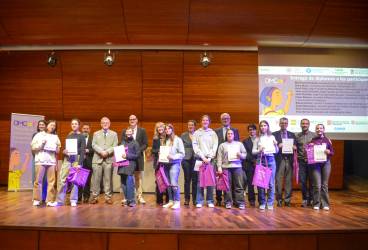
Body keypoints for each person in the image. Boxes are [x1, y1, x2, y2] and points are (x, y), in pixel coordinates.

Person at [31, 120, 61, 207]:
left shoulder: (55, 137)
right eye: (51, 125)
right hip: (40, 160)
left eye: (54, 126)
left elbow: (58, 150)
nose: (52, 127)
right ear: (47, 126)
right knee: (38, 181)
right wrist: (41, 145)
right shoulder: (38, 135)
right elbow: (33, 147)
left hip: (51, 161)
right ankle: (36, 199)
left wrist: (56, 148)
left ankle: (50, 201)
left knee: (51, 181)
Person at [56, 118, 86, 207]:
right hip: (68, 159)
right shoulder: (69, 135)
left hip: (77, 159)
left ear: (79, 125)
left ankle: (73, 199)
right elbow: (65, 148)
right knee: (62, 179)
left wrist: (80, 163)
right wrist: (64, 151)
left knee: (75, 180)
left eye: (75, 124)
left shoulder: (81, 136)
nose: (74, 125)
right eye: (72, 124)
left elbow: (83, 150)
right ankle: (60, 200)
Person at [90, 117, 118, 204]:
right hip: (97, 159)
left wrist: (107, 152)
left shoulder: (114, 134)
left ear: (109, 124)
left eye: (107, 122)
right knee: (96, 179)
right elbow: (93, 144)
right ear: (101, 124)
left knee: (108, 179)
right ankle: (95, 197)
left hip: (108, 159)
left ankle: (108, 197)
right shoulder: (96, 133)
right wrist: (101, 151)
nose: (105, 124)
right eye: (103, 122)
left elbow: (115, 144)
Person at [192, 115, 218, 208]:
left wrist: (209, 158)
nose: (205, 121)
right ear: (201, 121)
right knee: (200, 181)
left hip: (210, 160)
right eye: (203, 120)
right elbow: (195, 147)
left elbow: (215, 146)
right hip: (200, 159)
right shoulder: (196, 133)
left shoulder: (213, 133)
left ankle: (210, 200)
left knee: (210, 180)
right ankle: (199, 200)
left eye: (207, 120)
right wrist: (203, 158)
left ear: (209, 121)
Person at [121, 115, 148, 204]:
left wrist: (137, 151)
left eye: (134, 119)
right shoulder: (124, 131)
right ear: (129, 121)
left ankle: (139, 196)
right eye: (130, 119)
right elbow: (121, 144)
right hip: (126, 158)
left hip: (138, 157)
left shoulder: (142, 130)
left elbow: (145, 144)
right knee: (126, 177)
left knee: (138, 177)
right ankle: (127, 197)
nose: (132, 120)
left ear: (137, 120)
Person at [217, 129, 247, 209]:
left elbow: (245, 155)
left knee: (239, 185)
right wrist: (219, 167)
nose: (230, 135)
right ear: (226, 135)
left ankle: (240, 202)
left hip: (237, 167)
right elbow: (219, 157)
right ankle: (228, 202)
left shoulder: (239, 144)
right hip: (226, 167)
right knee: (227, 186)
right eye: (228, 134)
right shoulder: (222, 145)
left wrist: (240, 155)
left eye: (231, 134)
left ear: (234, 135)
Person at [215, 113, 240, 206]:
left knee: (232, 182)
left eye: (227, 118)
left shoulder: (235, 130)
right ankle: (218, 199)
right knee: (219, 180)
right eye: (223, 118)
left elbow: (237, 143)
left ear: (230, 119)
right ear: (221, 120)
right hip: (220, 159)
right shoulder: (216, 131)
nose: (225, 120)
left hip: (232, 160)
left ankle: (233, 200)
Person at [252, 120, 278, 210]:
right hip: (261, 160)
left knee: (271, 183)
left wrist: (276, 145)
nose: (263, 127)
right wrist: (259, 150)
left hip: (271, 160)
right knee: (260, 183)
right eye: (261, 126)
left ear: (268, 127)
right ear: (260, 127)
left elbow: (277, 151)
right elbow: (253, 151)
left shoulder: (272, 137)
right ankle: (262, 202)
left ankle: (270, 203)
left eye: (265, 125)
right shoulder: (257, 138)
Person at [309, 124, 334, 211]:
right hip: (316, 165)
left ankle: (325, 204)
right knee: (317, 185)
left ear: (323, 130)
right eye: (317, 128)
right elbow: (310, 153)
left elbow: (332, 153)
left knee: (324, 185)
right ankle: (316, 203)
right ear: (316, 130)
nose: (319, 130)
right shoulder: (312, 140)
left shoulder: (327, 140)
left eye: (321, 128)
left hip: (326, 164)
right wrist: (309, 150)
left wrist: (328, 152)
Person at [273, 117, 296, 207]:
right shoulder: (274, 134)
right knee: (278, 181)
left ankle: (287, 200)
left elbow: (296, 146)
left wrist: (294, 147)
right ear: (279, 124)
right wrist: (278, 146)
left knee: (288, 181)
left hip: (289, 160)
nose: (284, 124)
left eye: (285, 123)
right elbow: (271, 147)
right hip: (279, 160)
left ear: (287, 124)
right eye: (282, 123)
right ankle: (279, 199)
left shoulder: (292, 134)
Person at [160, 124, 185, 209]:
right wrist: (161, 155)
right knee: (168, 184)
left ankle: (177, 201)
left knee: (174, 183)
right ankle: (171, 201)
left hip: (174, 163)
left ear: (172, 129)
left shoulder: (178, 140)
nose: (167, 130)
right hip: (166, 164)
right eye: (166, 129)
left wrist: (173, 156)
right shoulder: (164, 140)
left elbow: (182, 153)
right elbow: (164, 152)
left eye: (169, 128)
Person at [118, 127, 140, 207]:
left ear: (132, 133)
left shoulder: (135, 143)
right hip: (121, 165)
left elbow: (137, 155)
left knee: (129, 182)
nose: (128, 133)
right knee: (123, 183)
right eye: (127, 132)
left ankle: (132, 201)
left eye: (130, 132)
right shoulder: (122, 142)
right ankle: (127, 200)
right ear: (125, 133)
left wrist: (127, 155)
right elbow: (118, 153)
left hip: (130, 165)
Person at [295, 119, 315, 207]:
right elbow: (294, 146)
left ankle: (311, 199)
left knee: (312, 181)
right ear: (300, 125)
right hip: (301, 161)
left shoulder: (314, 136)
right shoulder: (297, 136)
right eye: (303, 123)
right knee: (302, 181)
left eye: (306, 123)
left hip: (312, 162)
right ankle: (305, 199)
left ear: (309, 125)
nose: (304, 125)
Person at [151, 122, 169, 205]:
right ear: (157, 129)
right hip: (158, 162)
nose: (160, 128)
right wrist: (158, 151)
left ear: (164, 128)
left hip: (167, 162)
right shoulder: (155, 138)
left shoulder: (169, 137)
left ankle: (169, 199)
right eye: (158, 127)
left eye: (161, 127)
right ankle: (159, 200)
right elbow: (153, 150)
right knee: (159, 181)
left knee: (168, 180)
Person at [181, 120, 198, 206]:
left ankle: (195, 199)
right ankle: (187, 199)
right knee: (187, 180)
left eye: (192, 125)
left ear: (195, 126)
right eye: (189, 125)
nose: (190, 126)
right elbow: (180, 147)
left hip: (196, 159)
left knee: (195, 180)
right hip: (186, 160)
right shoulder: (183, 135)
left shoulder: (198, 134)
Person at [242, 124, 259, 207]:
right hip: (249, 164)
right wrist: (253, 160)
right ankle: (251, 200)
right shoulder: (245, 141)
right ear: (248, 131)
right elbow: (246, 153)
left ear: (256, 130)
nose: (252, 131)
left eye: (253, 129)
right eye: (250, 130)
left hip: (260, 164)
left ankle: (261, 201)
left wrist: (258, 161)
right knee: (250, 183)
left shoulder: (261, 140)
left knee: (260, 184)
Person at [32, 120, 47, 201]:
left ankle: (44, 197)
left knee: (45, 180)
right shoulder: (35, 135)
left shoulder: (48, 135)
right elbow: (33, 148)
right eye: (40, 125)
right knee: (37, 178)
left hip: (47, 159)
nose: (41, 126)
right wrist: (35, 156)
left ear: (45, 126)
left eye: (43, 124)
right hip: (37, 158)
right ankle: (36, 197)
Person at [78, 123, 94, 203]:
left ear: (89, 130)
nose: (85, 130)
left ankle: (86, 197)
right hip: (79, 162)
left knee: (87, 181)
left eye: (87, 128)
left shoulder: (92, 139)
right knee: (79, 180)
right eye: (84, 128)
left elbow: (94, 149)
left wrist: (88, 150)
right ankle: (78, 197)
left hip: (89, 162)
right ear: (81, 129)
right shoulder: (78, 138)